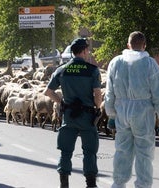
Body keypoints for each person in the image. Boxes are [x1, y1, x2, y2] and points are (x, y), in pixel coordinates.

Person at [104, 31, 159, 188]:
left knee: (122, 150)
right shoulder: (150, 64)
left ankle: (118, 184)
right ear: (144, 45)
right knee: (144, 153)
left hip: (121, 112)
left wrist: (111, 115)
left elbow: (109, 92)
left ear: (128, 45)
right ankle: (143, 185)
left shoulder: (115, 62)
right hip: (143, 113)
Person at [44, 38, 102, 188]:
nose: (88, 53)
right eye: (87, 50)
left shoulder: (61, 69)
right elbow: (97, 94)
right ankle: (90, 184)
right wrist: (98, 106)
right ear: (83, 51)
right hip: (87, 117)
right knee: (89, 151)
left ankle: (64, 184)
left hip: (69, 116)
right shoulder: (92, 70)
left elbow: (48, 92)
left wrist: (61, 102)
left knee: (65, 151)